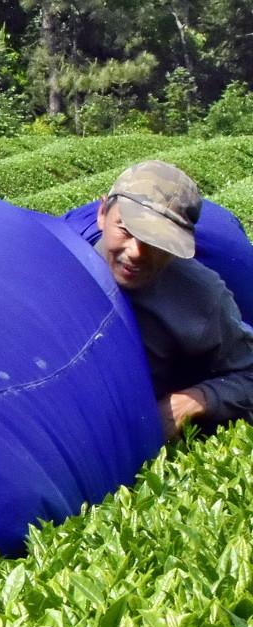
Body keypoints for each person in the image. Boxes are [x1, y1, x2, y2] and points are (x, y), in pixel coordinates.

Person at [71, 160, 253, 442]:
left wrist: (195, 400)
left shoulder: (200, 296)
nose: (136, 253)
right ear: (102, 213)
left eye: (156, 243)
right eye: (126, 230)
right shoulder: (58, 264)